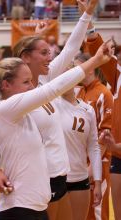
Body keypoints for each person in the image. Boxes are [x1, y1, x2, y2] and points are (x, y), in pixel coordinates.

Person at [0, 39, 113, 220]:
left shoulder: (24, 111)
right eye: (26, 82)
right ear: (6, 85)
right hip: (19, 207)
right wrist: (95, 61)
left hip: (39, 202)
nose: (32, 86)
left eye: (31, 81)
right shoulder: (7, 108)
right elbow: (53, 88)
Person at [13, 1, 99, 219]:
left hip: (59, 176)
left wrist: (87, 15)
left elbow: (71, 49)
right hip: (36, 179)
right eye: (44, 52)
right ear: (25, 57)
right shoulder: (14, 94)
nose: (50, 57)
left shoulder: (45, 80)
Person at [82, 19, 121, 220]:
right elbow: (101, 50)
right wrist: (88, 22)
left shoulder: (103, 92)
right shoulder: (117, 77)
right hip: (116, 156)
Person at [55, 87, 102, 220]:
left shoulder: (88, 110)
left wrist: (98, 182)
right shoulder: (51, 103)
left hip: (80, 178)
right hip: (56, 178)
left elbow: (94, 146)